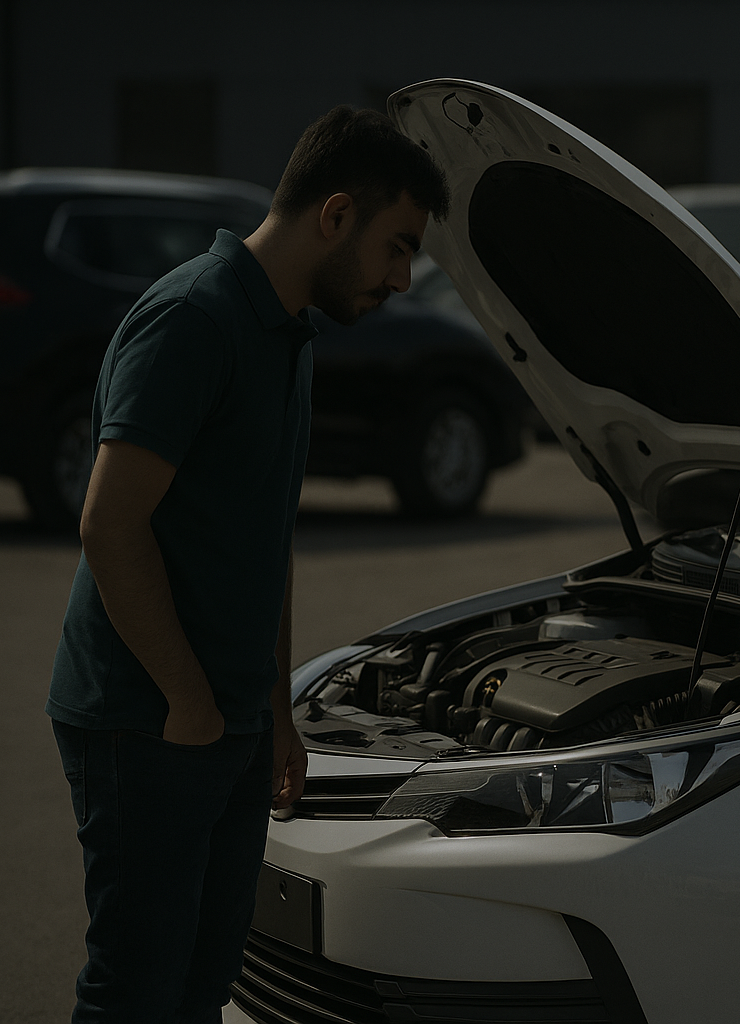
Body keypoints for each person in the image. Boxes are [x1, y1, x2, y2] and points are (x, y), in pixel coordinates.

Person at [46, 105, 449, 1023]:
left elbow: (264, 536)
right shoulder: (194, 318)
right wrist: (188, 702)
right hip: (144, 721)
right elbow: (110, 524)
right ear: (336, 215)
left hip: (227, 724)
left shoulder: (290, 334)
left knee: (203, 985)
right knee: (135, 991)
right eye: (397, 245)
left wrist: (275, 713)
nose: (402, 276)